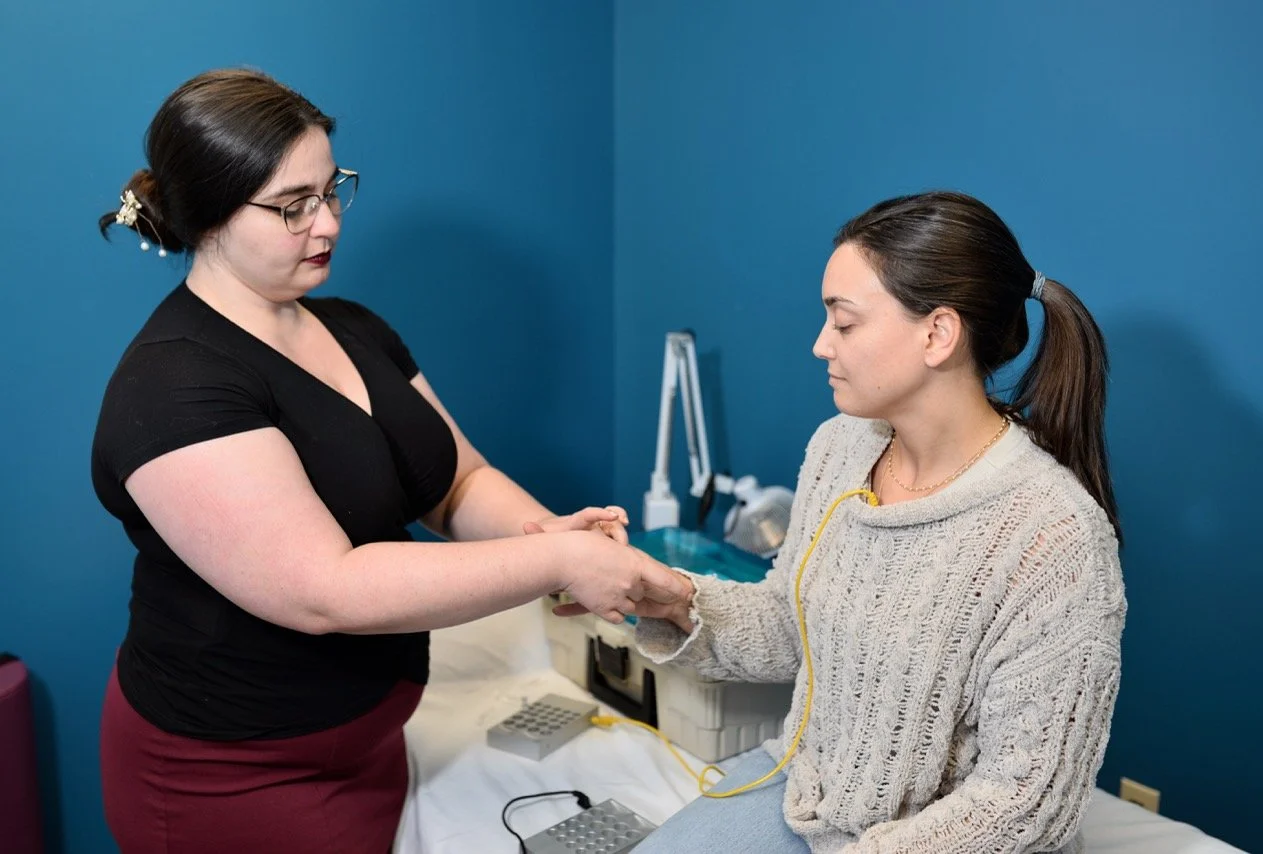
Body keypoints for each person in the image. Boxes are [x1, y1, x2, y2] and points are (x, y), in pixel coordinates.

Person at [91, 68, 690, 854]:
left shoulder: (351, 327)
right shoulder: (174, 386)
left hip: (372, 740)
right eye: (291, 207)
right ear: (206, 215)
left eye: (332, 189)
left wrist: (539, 529)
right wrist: (556, 561)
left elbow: (457, 482)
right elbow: (324, 591)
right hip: (236, 774)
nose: (329, 224)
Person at [614, 191, 1127, 853]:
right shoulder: (841, 448)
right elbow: (790, 623)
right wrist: (670, 599)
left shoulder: (1055, 537)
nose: (820, 344)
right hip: (811, 798)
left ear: (937, 334)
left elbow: (1026, 803)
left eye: (844, 322)